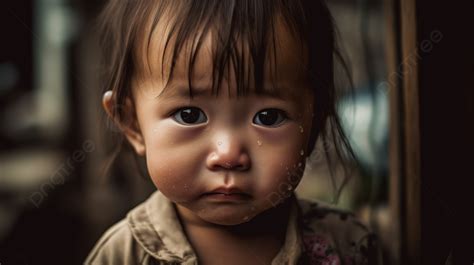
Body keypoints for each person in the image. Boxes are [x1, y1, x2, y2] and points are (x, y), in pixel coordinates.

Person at [86, 0, 381, 264]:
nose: (228, 155)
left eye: (268, 117)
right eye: (189, 115)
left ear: (314, 123)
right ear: (133, 124)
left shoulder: (349, 246)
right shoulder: (122, 255)